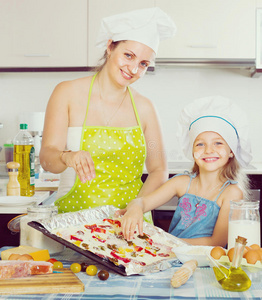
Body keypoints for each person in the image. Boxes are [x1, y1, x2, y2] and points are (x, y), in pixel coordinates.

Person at [39, 7, 176, 221]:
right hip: (74, 224)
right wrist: (68, 156)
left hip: (130, 227)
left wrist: (137, 207)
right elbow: (48, 158)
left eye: (143, 64)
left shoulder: (145, 108)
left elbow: (158, 169)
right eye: (128, 55)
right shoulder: (66, 93)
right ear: (110, 47)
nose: (133, 69)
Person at [118, 96, 252, 247]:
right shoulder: (182, 182)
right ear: (192, 150)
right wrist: (136, 207)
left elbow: (217, 242)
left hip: (207, 263)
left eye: (218, 143)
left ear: (231, 151)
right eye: (200, 144)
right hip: (171, 256)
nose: (208, 150)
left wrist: (165, 242)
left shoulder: (232, 193)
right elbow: (144, 202)